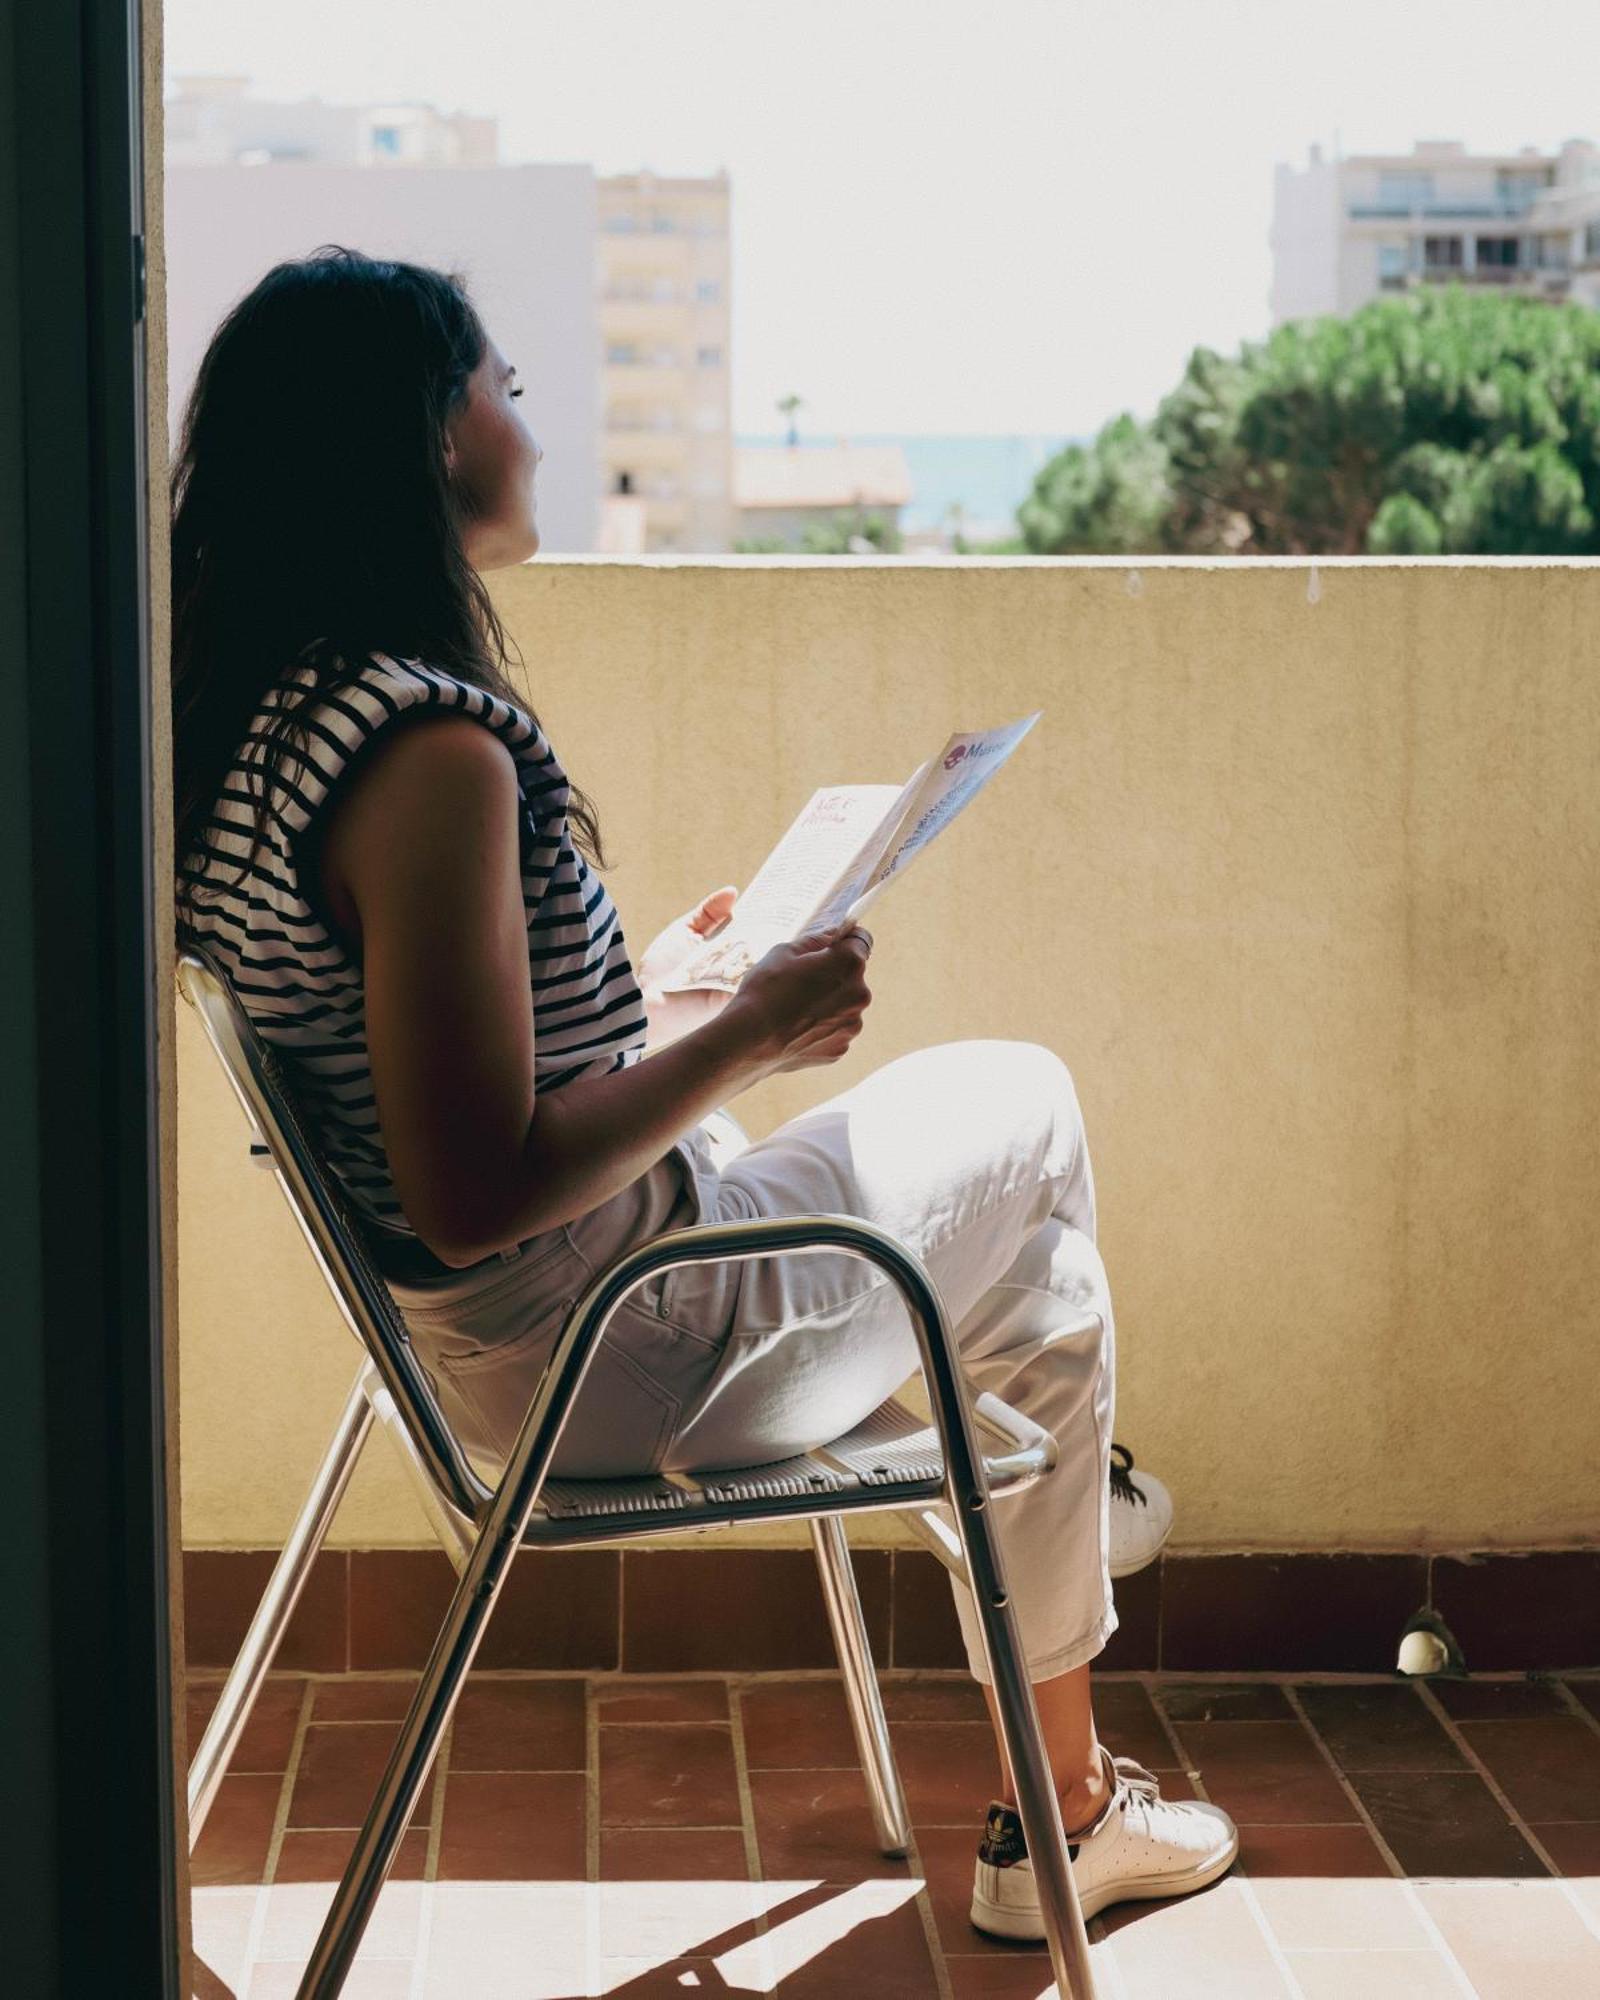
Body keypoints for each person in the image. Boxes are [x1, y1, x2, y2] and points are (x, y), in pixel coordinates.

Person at [171, 247, 1237, 1939]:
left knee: (1021, 1279)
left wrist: (654, 995)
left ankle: (1071, 1692)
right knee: (1028, 1119)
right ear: (421, 440)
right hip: (622, 1344)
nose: (524, 421)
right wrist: (755, 1033)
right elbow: (474, 1186)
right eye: (499, 388)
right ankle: (1069, 1705)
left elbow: (423, 1070)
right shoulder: (429, 756)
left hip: (507, 1340)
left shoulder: (260, 731)